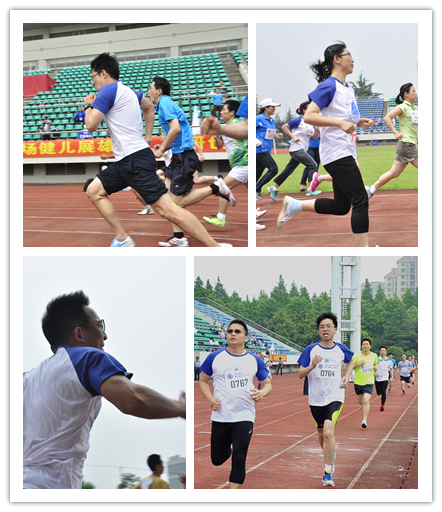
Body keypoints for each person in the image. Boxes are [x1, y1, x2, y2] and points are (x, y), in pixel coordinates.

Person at [23, 291, 186, 489]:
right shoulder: (86, 358)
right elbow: (134, 400)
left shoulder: (25, 380)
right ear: (79, 334)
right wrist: (181, 407)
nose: (105, 335)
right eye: (100, 325)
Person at [84, 53, 230, 248]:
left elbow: (91, 125)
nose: (92, 82)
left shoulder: (107, 90)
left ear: (103, 73)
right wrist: (147, 137)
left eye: (93, 77)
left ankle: (215, 247)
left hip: (134, 160)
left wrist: (88, 104)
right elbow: (148, 108)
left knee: (168, 209)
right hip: (127, 160)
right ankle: (122, 238)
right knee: (94, 190)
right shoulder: (130, 92)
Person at [276, 42, 373, 247]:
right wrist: (339, 123)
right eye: (348, 55)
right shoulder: (329, 86)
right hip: (336, 152)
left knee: (341, 206)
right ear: (337, 59)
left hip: (346, 150)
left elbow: (343, 116)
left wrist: (358, 121)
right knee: (360, 199)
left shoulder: (349, 89)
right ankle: (364, 250)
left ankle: (293, 205)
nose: (353, 59)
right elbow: (310, 116)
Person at [147, 76, 235, 247]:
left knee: (175, 205)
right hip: (178, 156)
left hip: (183, 156)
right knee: (169, 202)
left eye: (150, 88)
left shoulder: (165, 103)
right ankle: (179, 236)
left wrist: (162, 149)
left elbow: (175, 128)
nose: (148, 91)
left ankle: (216, 187)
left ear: (159, 91)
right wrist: (166, 146)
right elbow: (178, 131)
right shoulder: (164, 104)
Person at [198, 319, 272, 489]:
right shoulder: (214, 357)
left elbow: (267, 384)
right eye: (230, 331)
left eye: (237, 331)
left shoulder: (255, 360)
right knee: (217, 459)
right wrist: (210, 399)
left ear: (246, 338)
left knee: (239, 458)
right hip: (221, 416)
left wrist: (262, 392)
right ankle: (230, 446)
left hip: (244, 416)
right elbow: (203, 381)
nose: (232, 334)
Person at [297, 312, 354, 487]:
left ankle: (327, 472)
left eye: (329, 326)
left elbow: (351, 361)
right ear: (319, 330)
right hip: (316, 399)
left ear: (335, 329)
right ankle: (331, 454)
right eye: (322, 327)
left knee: (329, 432)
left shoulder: (341, 349)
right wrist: (312, 365)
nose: (325, 329)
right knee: (321, 434)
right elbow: (300, 374)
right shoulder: (311, 350)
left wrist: (347, 375)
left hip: (335, 396)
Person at [365, 83, 418, 199]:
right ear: (406, 94)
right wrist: (395, 132)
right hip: (406, 144)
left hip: (407, 145)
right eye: (413, 91)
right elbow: (387, 117)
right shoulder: (403, 107)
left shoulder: (414, 108)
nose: (416, 93)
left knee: (394, 173)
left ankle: (370, 189)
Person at [203, 100, 248, 228]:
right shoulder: (225, 127)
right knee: (253, 191)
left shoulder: (238, 123)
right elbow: (219, 146)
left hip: (243, 163)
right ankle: (254, 213)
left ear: (232, 112)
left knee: (223, 188)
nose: (221, 112)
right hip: (239, 165)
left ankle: (220, 218)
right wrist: (217, 138)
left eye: (224, 110)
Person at [267, 101, 320, 201]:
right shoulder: (299, 120)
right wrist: (293, 137)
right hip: (296, 149)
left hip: (302, 150)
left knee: (288, 170)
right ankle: (310, 189)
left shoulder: (311, 123)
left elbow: (315, 137)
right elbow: (284, 126)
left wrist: (316, 130)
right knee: (313, 165)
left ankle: (274, 188)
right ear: (304, 110)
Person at [256, 98, 283, 200]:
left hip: (266, 150)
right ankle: (257, 189)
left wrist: (276, 136)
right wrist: (255, 141)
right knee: (273, 169)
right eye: (272, 107)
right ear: (265, 107)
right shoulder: (258, 118)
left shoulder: (272, 120)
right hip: (259, 150)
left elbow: (268, 134)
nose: (274, 109)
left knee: (256, 174)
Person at [352, 338, 378, 428]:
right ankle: (360, 404)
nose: (365, 346)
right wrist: (358, 364)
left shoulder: (374, 355)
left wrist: (376, 367)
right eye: (364, 344)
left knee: (366, 400)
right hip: (358, 382)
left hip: (369, 381)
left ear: (370, 346)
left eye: (367, 344)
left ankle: (364, 420)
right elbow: (350, 367)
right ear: (361, 346)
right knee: (360, 401)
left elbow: (376, 363)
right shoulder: (356, 356)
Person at [374, 346, 393, 411]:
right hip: (377, 378)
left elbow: (391, 369)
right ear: (379, 352)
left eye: (384, 351)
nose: (382, 352)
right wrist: (375, 374)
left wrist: (391, 377)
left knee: (383, 391)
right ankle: (380, 392)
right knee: (378, 392)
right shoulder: (376, 359)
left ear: (386, 352)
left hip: (385, 378)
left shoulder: (389, 360)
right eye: (381, 351)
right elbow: (372, 368)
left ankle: (382, 405)